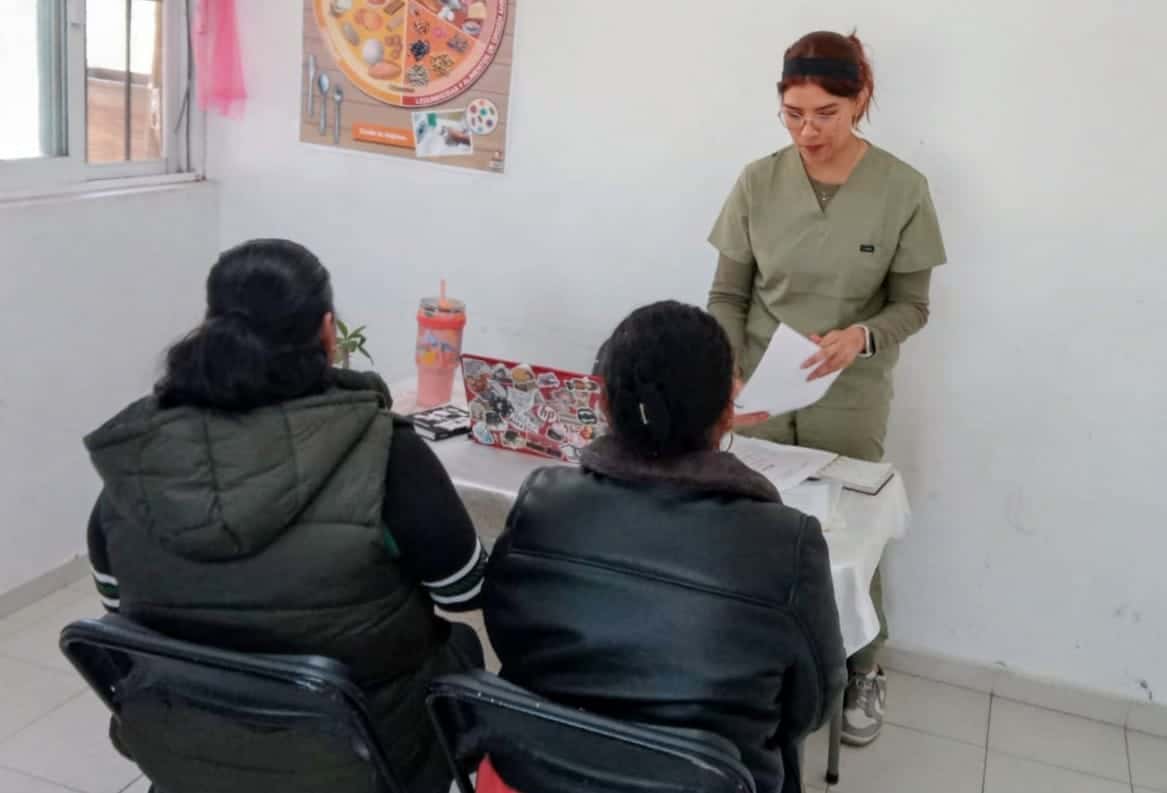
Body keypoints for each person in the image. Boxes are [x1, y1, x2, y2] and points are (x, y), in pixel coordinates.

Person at [82, 239, 487, 793]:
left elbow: (117, 605)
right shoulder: (385, 450)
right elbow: (463, 589)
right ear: (328, 331)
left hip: (191, 742)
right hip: (363, 749)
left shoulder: (140, 454)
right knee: (461, 648)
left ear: (210, 325)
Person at [483, 301, 846, 793]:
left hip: (542, 775)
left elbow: (505, 633)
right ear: (729, 413)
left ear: (602, 403)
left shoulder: (542, 501)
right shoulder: (787, 542)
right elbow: (813, 705)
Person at [706, 30, 947, 746]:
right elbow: (727, 294)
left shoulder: (902, 189)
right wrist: (727, 366)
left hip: (849, 391)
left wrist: (862, 336)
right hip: (757, 385)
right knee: (750, 522)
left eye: (825, 114)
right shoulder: (758, 181)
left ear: (860, 100)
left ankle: (862, 667)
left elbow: (913, 305)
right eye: (792, 114)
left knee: (848, 532)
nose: (807, 131)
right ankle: (750, 661)